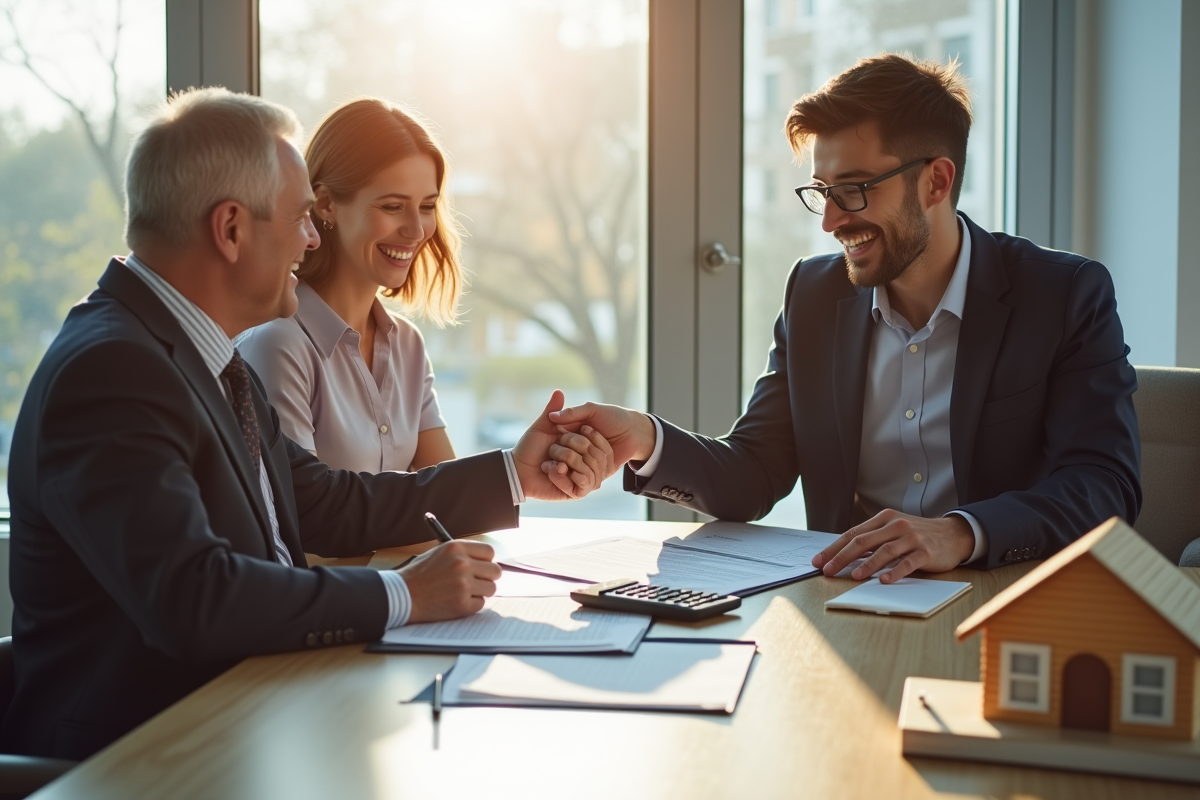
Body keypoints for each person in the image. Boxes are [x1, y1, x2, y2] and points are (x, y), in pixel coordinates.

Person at [0, 87, 609, 760]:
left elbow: (324, 502)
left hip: (247, 711)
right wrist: (402, 594)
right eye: (299, 218)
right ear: (231, 230)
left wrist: (514, 476)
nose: (312, 238)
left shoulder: (200, 354)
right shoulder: (115, 371)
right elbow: (194, 599)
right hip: (149, 755)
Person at [550, 54, 1140, 584]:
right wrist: (645, 439)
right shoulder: (813, 293)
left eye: (855, 190)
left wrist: (958, 532)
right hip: (846, 602)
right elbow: (755, 472)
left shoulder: (1062, 294)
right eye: (822, 191)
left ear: (936, 181)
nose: (831, 221)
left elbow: (1104, 486)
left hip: (1002, 598)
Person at [238, 98, 463, 472]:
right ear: (325, 204)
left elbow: (453, 498)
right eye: (393, 207)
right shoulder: (278, 345)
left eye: (426, 207)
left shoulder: (406, 345)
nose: (416, 230)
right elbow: (309, 518)